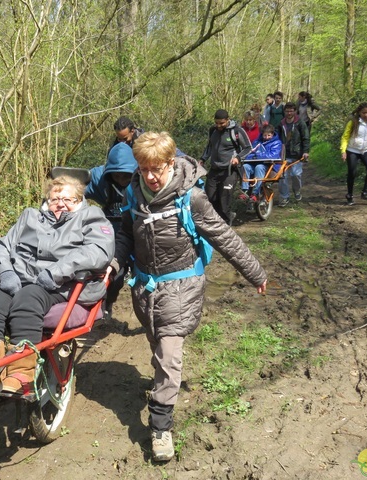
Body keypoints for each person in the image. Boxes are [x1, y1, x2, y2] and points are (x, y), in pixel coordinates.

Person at [112, 131, 267, 463]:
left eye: (156, 168)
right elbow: (125, 233)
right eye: (144, 169)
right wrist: (114, 261)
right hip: (145, 287)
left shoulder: (191, 197)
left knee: (169, 351)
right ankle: (165, 378)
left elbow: (223, 235)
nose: (150, 177)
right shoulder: (132, 193)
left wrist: (255, 272)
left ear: (170, 163)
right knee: (159, 346)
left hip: (181, 286)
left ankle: (160, 427)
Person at [0, 175, 114, 396]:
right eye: (55, 199)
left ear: (79, 200)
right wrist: (5, 272)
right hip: (20, 277)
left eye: (68, 199)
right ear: (46, 201)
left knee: (29, 297)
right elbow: (2, 247)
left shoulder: (91, 217)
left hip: (62, 284)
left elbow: (98, 252)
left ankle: (21, 373)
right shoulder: (30, 217)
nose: (60, 203)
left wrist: (56, 273)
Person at [85, 143, 137, 318]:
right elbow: (74, 191)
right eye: (117, 175)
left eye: (126, 175)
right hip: (113, 233)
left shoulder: (143, 179)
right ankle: (108, 302)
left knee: (142, 276)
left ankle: (149, 312)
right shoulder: (99, 179)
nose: (122, 180)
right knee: (114, 275)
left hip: (139, 231)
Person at [200, 109, 252, 224]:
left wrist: (237, 158)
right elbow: (210, 146)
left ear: (228, 120)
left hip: (229, 171)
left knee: (224, 201)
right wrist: (203, 159)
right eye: (216, 123)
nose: (219, 125)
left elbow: (248, 148)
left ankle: (226, 224)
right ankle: (218, 221)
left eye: (221, 123)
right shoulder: (213, 130)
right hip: (214, 170)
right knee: (210, 198)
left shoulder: (237, 131)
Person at [276, 102, 310, 207]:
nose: (289, 113)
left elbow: (306, 138)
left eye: (291, 111)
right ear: (284, 112)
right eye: (287, 111)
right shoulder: (281, 124)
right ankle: (284, 197)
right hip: (284, 154)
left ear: (295, 111)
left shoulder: (300, 123)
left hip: (297, 154)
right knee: (282, 176)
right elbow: (276, 139)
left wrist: (305, 151)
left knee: (296, 175)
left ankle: (297, 191)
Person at [240, 124, 282, 203]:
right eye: (265, 135)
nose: (266, 137)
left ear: (272, 134)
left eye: (269, 135)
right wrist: (252, 156)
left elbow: (273, 155)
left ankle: (255, 193)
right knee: (245, 166)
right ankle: (244, 190)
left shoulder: (276, 143)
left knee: (259, 167)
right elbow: (249, 153)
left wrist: (258, 155)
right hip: (254, 163)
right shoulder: (256, 142)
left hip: (269, 166)